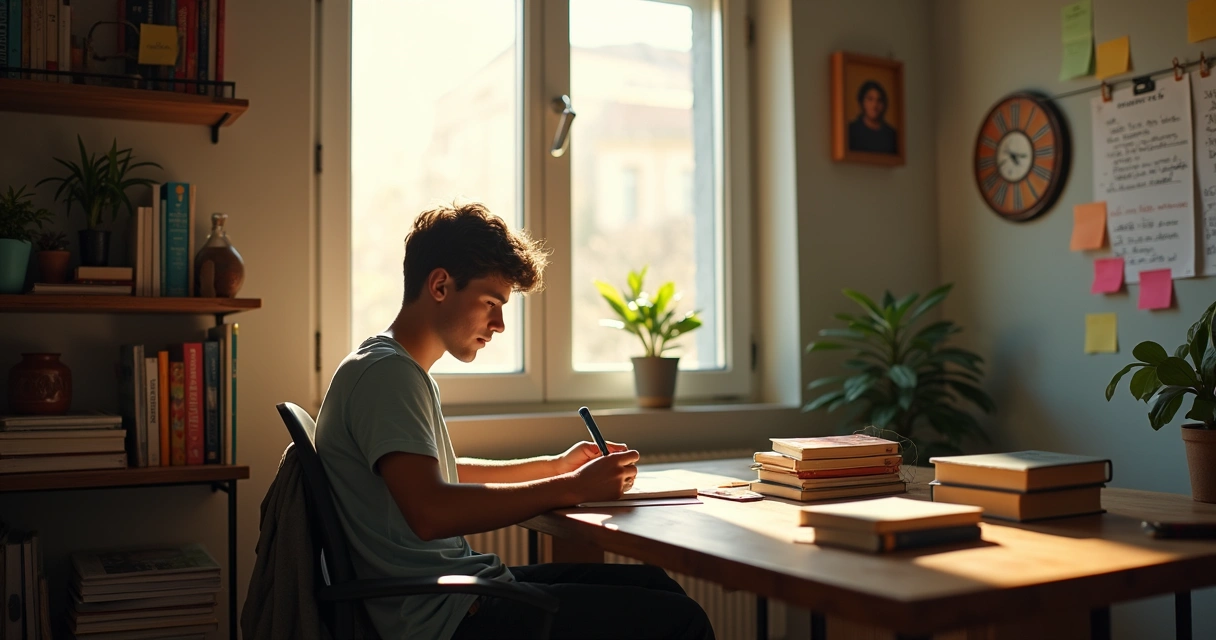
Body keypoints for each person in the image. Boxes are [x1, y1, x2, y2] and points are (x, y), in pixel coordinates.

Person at [314, 202, 715, 640]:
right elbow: (430, 511)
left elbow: (441, 476)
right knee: (681, 620)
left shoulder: (391, 367)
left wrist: (557, 467)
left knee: (656, 585)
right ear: (440, 285)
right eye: (491, 302)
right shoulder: (387, 374)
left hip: (452, 594)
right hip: (444, 618)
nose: (500, 324)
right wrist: (574, 487)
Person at [847, 79, 898, 154]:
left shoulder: (892, 135)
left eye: (879, 100)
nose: (875, 105)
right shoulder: (851, 131)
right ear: (862, 102)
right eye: (870, 99)